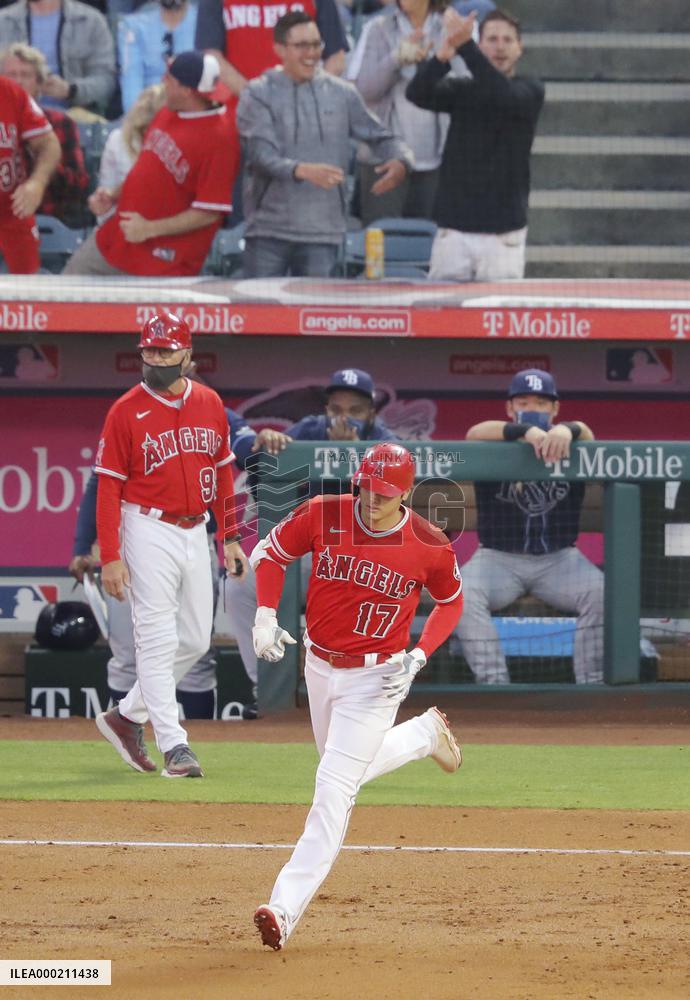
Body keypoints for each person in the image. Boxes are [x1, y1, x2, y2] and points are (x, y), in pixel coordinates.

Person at [249, 442, 464, 950]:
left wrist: (419, 655)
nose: (373, 498)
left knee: (333, 788)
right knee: (340, 769)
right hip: (319, 666)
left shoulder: (428, 543)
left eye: (385, 492)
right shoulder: (326, 514)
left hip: (377, 679)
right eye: (367, 486)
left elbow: (451, 602)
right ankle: (424, 735)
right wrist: (264, 614)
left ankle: (283, 907)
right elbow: (271, 554)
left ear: (406, 493)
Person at [93, 311, 248, 778]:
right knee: (157, 640)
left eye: (165, 350)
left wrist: (230, 537)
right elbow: (108, 487)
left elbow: (223, 472)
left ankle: (126, 716)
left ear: (187, 355)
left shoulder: (209, 402)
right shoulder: (125, 410)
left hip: (195, 529)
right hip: (146, 526)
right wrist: (111, 557)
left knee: (196, 638)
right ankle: (175, 746)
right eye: (150, 350)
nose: (156, 358)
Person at [70, 409, 290, 719]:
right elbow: (100, 482)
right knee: (129, 655)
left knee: (196, 652)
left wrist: (261, 442)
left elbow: (245, 457)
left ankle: (197, 736)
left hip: (195, 536)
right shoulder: (129, 411)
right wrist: (83, 546)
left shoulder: (213, 409)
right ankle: (126, 730)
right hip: (134, 535)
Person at [455, 368, 604, 684]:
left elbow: (588, 433)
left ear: (555, 408)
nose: (532, 408)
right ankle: (494, 682)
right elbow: (474, 432)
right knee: (461, 594)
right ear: (510, 408)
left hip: (560, 560)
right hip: (497, 559)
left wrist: (567, 430)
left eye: (541, 403)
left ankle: (591, 682)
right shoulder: (493, 441)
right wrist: (526, 431)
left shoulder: (571, 442)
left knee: (601, 592)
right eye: (523, 402)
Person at [237, 11, 413, 278]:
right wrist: (302, 170)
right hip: (268, 232)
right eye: (301, 45)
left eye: (316, 44)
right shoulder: (257, 93)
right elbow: (261, 155)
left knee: (316, 306)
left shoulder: (342, 93)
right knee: (259, 305)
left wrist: (401, 160)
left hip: (324, 233)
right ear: (279, 49)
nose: (312, 53)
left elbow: (382, 136)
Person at [63, 49, 239, 276]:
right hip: (116, 238)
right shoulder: (168, 111)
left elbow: (209, 212)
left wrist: (149, 229)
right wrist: (113, 195)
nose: (163, 81)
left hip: (163, 259)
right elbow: (148, 168)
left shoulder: (221, 139)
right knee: (64, 290)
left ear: (187, 91)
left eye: (170, 79)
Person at [406, 7, 544, 281]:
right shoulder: (463, 90)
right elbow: (417, 93)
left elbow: (503, 97)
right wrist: (441, 59)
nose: (500, 47)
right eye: (492, 39)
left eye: (507, 40)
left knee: (500, 309)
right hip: (455, 232)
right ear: (481, 45)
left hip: (503, 235)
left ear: (520, 48)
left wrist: (466, 47)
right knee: (441, 308)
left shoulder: (530, 90)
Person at [347, 0, 469, 226]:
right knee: (381, 239)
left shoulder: (452, 27)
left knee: (431, 241)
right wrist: (396, 58)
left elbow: (468, 87)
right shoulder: (377, 28)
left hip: (440, 160)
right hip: (384, 159)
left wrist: (441, 60)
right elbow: (364, 91)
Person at [0, 43, 89, 226]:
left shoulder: (61, 123)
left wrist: (45, 168)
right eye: (11, 75)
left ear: (40, 84)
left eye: (26, 75)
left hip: (51, 219)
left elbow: (79, 187)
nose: (18, 81)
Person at [194, 0, 348, 100]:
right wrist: (254, 97)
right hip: (240, 115)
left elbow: (336, 58)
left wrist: (307, 97)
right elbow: (211, 55)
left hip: (303, 117)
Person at [0, 0, 116, 114]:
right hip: (11, 117)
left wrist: (70, 90)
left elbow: (106, 80)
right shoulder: (3, 21)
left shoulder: (91, 21)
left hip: (74, 119)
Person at [0, 73, 60, 272]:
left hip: (13, 212)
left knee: (26, 285)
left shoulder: (10, 91)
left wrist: (37, 183)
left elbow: (48, 143)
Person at [92, 84, 165, 220]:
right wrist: (104, 201)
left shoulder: (180, 145)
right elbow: (104, 208)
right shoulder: (117, 139)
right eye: (144, 130)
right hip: (122, 222)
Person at [118, 0, 198, 113]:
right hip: (148, 113)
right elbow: (131, 83)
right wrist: (139, 117)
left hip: (194, 110)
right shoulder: (133, 27)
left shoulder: (205, 21)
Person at [287, 367, 398, 443]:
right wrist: (276, 439)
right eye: (336, 410)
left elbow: (401, 465)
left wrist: (355, 450)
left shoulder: (383, 437)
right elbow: (279, 450)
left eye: (355, 411)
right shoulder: (312, 427)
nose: (344, 418)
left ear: (371, 415)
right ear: (327, 410)